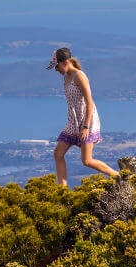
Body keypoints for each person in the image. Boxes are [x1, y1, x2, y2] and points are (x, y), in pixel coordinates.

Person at [47, 47, 119, 186]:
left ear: (65, 62)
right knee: (58, 154)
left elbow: (89, 101)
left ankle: (119, 177)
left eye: (56, 66)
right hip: (73, 121)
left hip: (88, 120)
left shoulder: (79, 76)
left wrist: (85, 127)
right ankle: (62, 189)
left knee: (87, 160)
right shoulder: (67, 77)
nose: (56, 70)